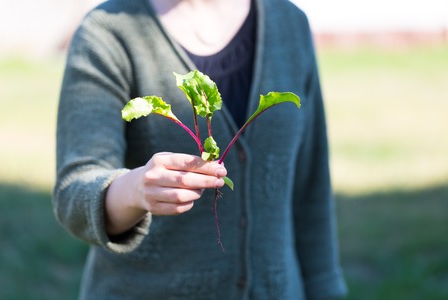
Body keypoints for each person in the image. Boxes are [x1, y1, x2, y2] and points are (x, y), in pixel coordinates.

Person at [53, 0, 347, 299]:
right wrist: (136, 190)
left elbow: (311, 189)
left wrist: (326, 289)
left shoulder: (289, 24)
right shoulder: (108, 29)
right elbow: (74, 193)